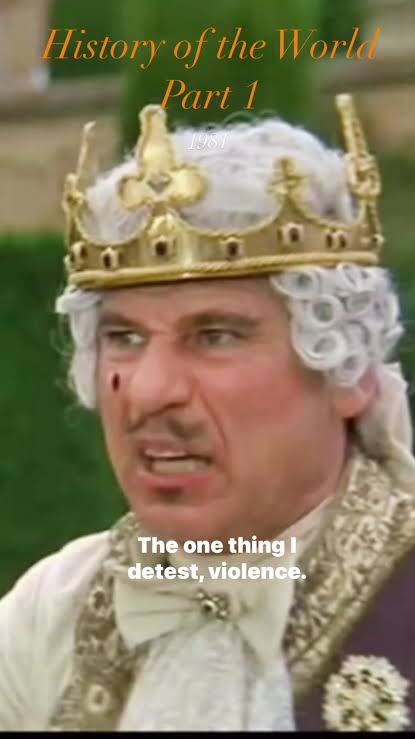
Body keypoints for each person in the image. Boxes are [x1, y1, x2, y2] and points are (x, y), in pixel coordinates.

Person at [1, 94, 414, 732]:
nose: (148, 393)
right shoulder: (49, 613)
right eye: (124, 337)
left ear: (347, 371)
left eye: (215, 335)